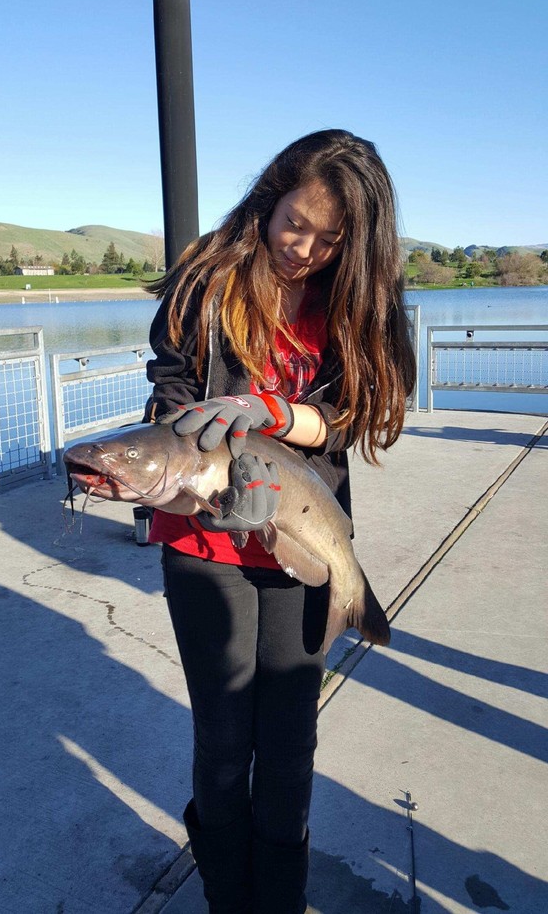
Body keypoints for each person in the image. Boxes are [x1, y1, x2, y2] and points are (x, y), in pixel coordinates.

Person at [143, 128, 416, 913]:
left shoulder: (356, 300)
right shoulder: (209, 281)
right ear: (271, 197)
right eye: (296, 222)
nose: (304, 249)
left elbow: (352, 413)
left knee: (290, 749)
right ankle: (229, 898)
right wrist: (184, 440)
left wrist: (271, 410)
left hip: (302, 531)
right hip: (206, 537)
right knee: (226, 747)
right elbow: (169, 381)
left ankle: (281, 901)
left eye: (330, 239)